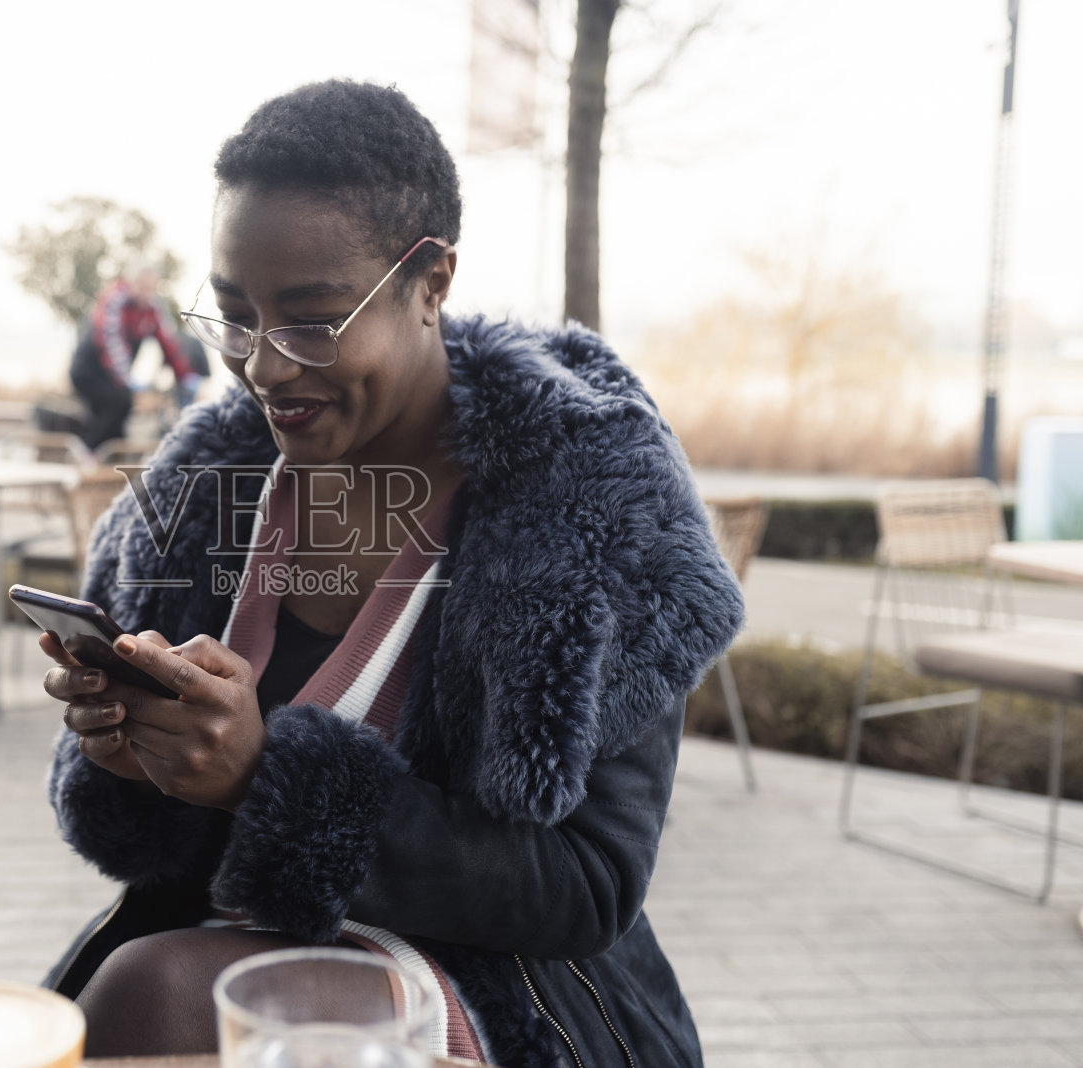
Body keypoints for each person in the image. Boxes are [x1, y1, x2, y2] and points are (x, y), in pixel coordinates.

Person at [39, 80, 744, 1066]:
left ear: (432, 282)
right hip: (231, 944)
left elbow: (587, 888)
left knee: (152, 992)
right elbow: (143, 851)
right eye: (235, 316)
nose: (265, 367)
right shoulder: (202, 491)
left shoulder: (590, 504)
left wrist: (264, 779)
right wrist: (144, 761)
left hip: (503, 988)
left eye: (313, 319)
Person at [69, 263, 202, 451]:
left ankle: (107, 466)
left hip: (111, 377)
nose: (147, 292)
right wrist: (128, 380)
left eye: (152, 288)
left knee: (118, 422)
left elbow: (168, 343)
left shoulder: (152, 307)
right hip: (88, 372)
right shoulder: (114, 301)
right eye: (143, 286)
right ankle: (86, 454)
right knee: (120, 403)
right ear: (131, 282)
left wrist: (185, 375)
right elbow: (111, 345)